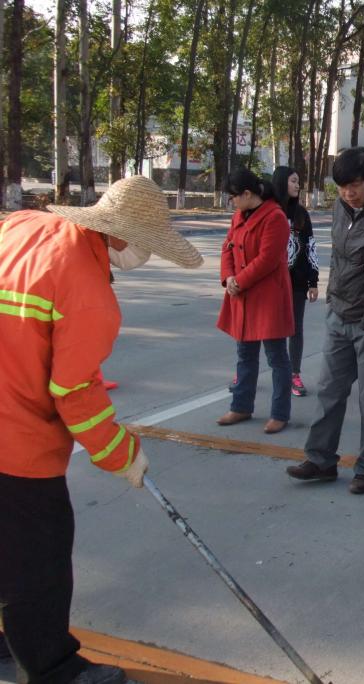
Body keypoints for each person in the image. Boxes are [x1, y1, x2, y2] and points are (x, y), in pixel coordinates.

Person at [0, 175, 202, 683]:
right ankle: (53, 669)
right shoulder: (89, 292)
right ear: (121, 236)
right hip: (14, 439)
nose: (144, 257)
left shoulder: (22, 225)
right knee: (39, 556)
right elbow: (75, 394)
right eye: (145, 245)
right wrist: (122, 454)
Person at [286, 148, 364, 494]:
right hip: (339, 313)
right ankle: (320, 460)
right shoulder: (339, 207)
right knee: (329, 391)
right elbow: (339, 257)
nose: (348, 193)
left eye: (355, 186)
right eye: (342, 187)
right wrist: (331, 298)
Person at [216, 168, 294, 434]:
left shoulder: (275, 217)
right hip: (243, 296)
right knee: (245, 356)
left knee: (277, 358)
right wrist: (228, 277)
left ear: (247, 194)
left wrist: (239, 281)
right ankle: (241, 406)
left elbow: (267, 259)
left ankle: (280, 413)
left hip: (268, 297)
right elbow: (227, 248)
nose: (231, 202)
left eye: (233, 197)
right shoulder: (239, 216)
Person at [271, 166, 319, 398]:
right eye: (293, 181)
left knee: (295, 329)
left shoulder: (301, 214)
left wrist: (313, 281)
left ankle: (294, 374)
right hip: (271, 283)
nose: (297, 185)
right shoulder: (269, 211)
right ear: (281, 182)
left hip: (296, 283)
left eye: (298, 181)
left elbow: (310, 247)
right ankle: (246, 371)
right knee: (266, 328)